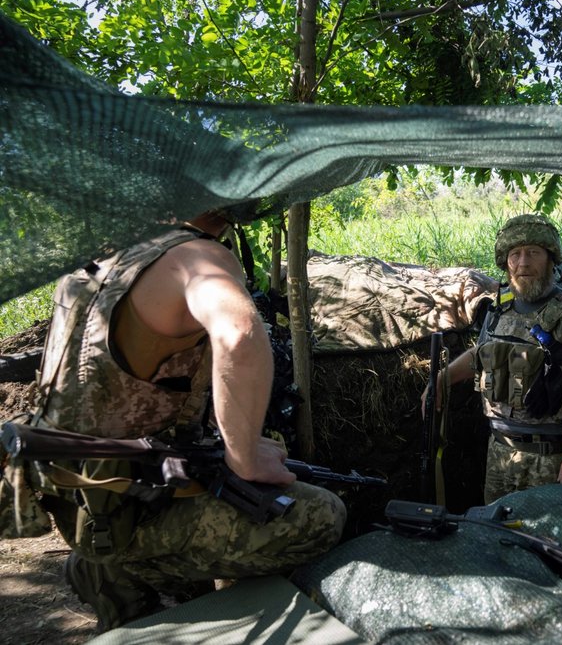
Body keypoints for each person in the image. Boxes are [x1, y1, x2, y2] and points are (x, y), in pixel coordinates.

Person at [27, 207, 346, 632]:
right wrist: (244, 457)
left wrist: (224, 443)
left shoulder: (106, 253)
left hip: (72, 488)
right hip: (125, 510)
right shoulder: (196, 257)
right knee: (321, 516)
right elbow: (239, 334)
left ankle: (115, 562)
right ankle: (122, 573)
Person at [424, 213, 562, 503]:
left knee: (546, 544)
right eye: (515, 254)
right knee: (496, 536)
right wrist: (441, 380)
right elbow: (480, 354)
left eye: (534, 253)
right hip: (500, 454)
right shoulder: (499, 308)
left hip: (550, 459)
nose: (524, 263)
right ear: (505, 261)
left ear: (551, 259)